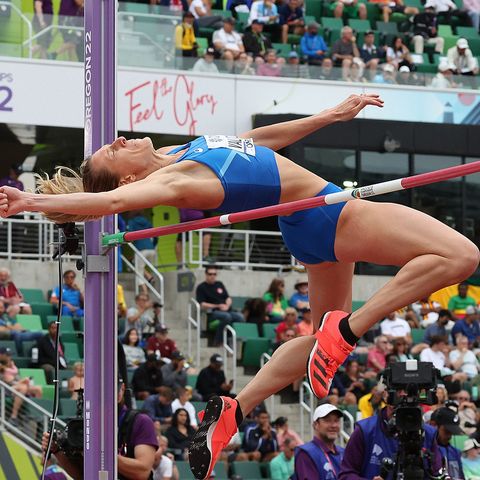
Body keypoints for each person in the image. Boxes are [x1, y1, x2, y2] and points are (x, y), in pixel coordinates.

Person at [2, 94, 479, 480]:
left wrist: (329, 116)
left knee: (317, 339)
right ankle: (349, 329)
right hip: (328, 211)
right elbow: (112, 199)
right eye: (114, 149)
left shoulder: (178, 152)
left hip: (307, 225)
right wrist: (28, 202)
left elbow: (256, 140)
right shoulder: (169, 181)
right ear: (128, 172)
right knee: (461, 256)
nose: (120, 138)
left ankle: (234, 409)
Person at [42, 378, 158, 480]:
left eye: (108, 390)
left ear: (121, 389)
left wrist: (100, 452)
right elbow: (81, 476)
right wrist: (57, 450)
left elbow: (142, 472)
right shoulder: (87, 424)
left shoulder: (140, 421)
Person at [340, 399, 442, 478]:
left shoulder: (429, 433)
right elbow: (346, 475)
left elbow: (437, 474)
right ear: (386, 394)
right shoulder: (365, 430)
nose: (404, 396)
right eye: (399, 390)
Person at [196, 266, 244, 346]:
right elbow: (202, 304)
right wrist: (217, 305)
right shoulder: (201, 287)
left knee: (240, 317)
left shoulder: (219, 284)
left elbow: (228, 298)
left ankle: (231, 341)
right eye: (210, 274)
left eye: (214, 274)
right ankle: (218, 341)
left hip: (227, 309)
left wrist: (227, 305)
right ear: (206, 274)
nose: (212, 276)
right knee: (227, 317)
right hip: (213, 312)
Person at [294, 404, 345, 479]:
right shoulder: (306, 453)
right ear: (315, 425)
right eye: (327, 420)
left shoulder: (343, 452)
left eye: (336, 421)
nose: (333, 425)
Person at [430, 407, 466, 479]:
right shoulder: (426, 453)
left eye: (452, 432)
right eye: (446, 431)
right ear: (434, 425)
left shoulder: (455, 452)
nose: (449, 436)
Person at [127, 210, 157, 291]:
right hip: (151, 250)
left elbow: (130, 235)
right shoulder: (147, 221)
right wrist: (152, 246)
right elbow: (155, 235)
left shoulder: (132, 221)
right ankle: (149, 277)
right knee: (135, 263)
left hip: (141, 249)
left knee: (138, 272)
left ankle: (145, 292)